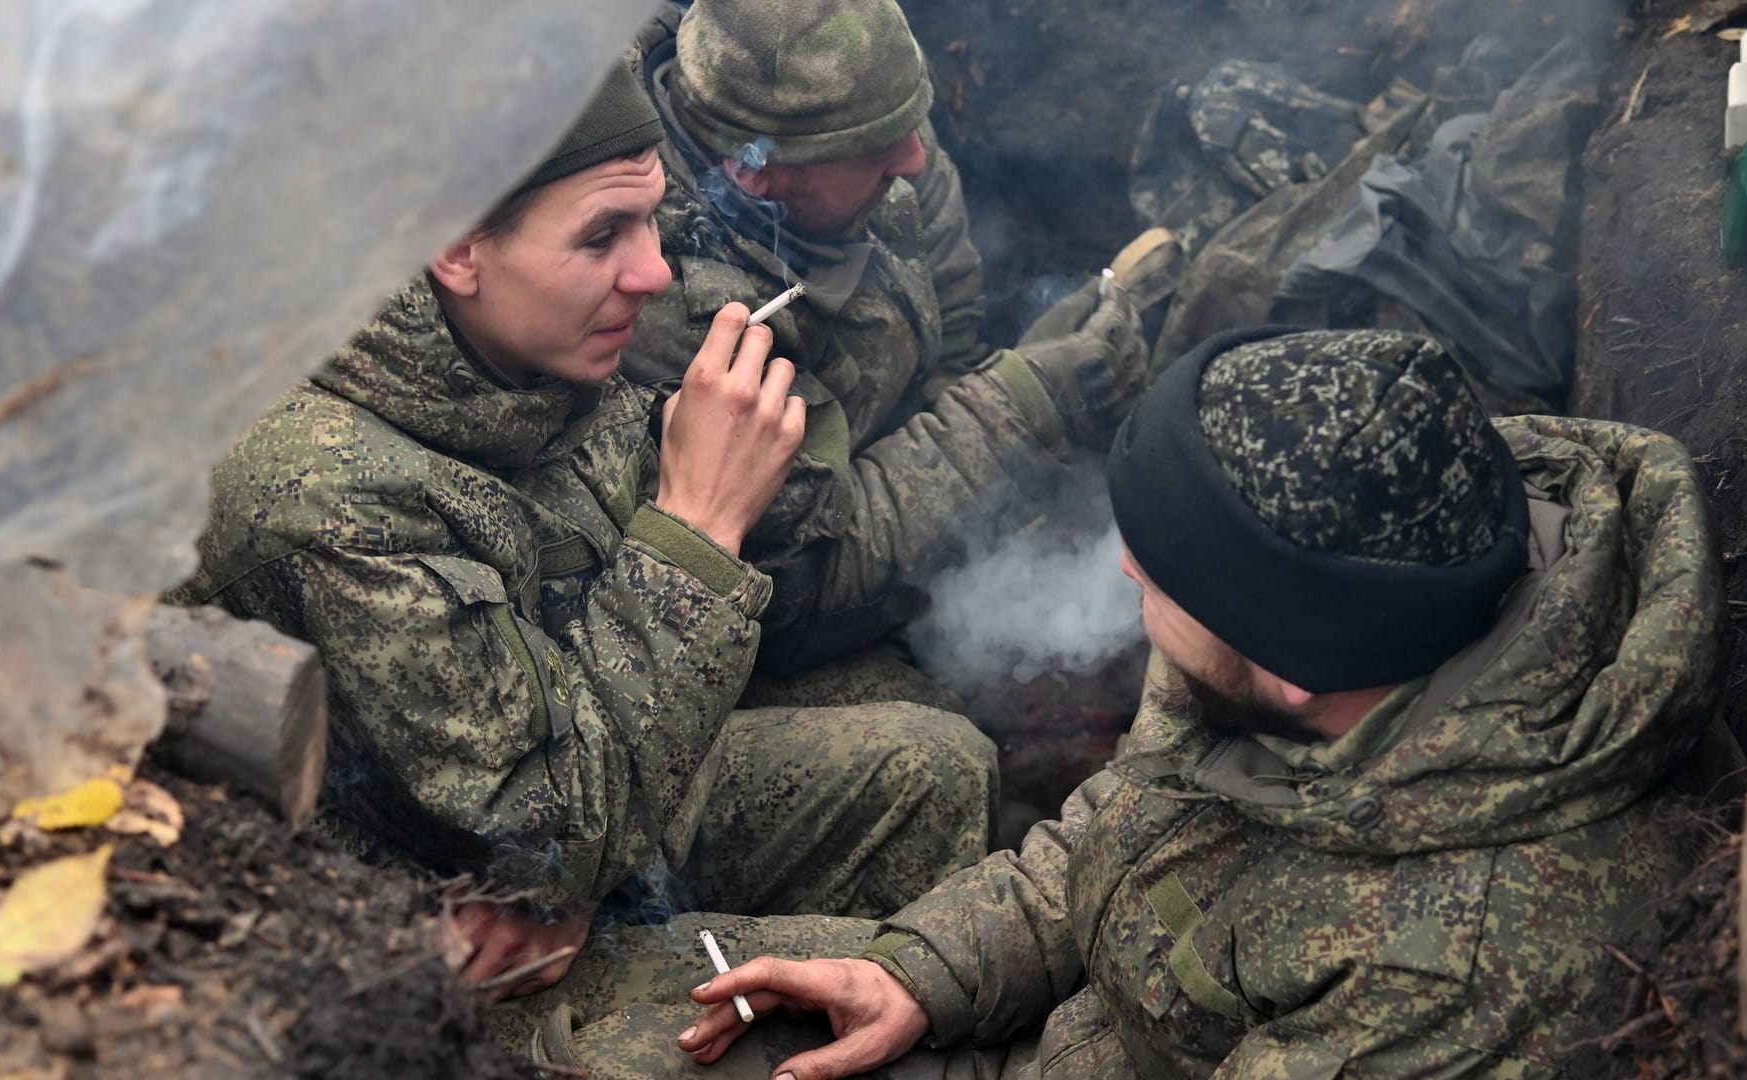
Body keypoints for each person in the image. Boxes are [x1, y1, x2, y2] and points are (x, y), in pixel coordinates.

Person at [515, 327, 1728, 1077]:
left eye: (1161, 568)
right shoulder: (1343, 604)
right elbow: (1130, 827)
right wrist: (922, 973)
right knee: (605, 1019)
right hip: (1080, 1018)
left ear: (1297, 663)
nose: (1129, 574)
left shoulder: (1450, 979)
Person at [178, 60, 1125, 1001]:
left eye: (651, 220)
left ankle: (891, 997)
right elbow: (542, 836)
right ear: (457, 250)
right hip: (438, 944)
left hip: (585, 784)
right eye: (602, 237)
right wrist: (699, 524)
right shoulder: (331, 494)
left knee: (937, 764)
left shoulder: (515, 344)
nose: (655, 271)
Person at [625, 0, 1149, 694]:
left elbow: (954, 307)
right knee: (926, 723)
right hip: (738, 619)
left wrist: (987, 395)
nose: (915, 157)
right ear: (753, 171)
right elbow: (799, 591)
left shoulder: (867, 111)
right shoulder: (657, 303)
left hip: (885, 485)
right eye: (876, 152)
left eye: (910, 120)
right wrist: (1021, 404)